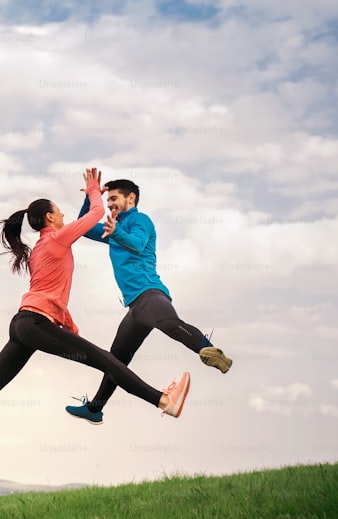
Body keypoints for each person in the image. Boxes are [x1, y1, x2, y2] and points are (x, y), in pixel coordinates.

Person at [0, 168, 191, 418]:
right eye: (59, 212)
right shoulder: (57, 238)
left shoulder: (40, 250)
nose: (63, 216)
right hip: (34, 324)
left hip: (24, 324)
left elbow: (51, 294)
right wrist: (94, 190)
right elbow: (95, 215)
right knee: (109, 360)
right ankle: (164, 400)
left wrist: (69, 328)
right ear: (49, 218)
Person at [65, 178, 232, 424]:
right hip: (134, 308)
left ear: (130, 198)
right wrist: (91, 196)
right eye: (107, 199)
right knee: (115, 360)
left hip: (150, 293)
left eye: (113, 199)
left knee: (168, 323)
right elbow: (82, 227)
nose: (109, 204)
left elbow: (136, 244)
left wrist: (116, 231)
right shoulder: (114, 226)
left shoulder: (139, 221)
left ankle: (207, 349)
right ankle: (94, 409)